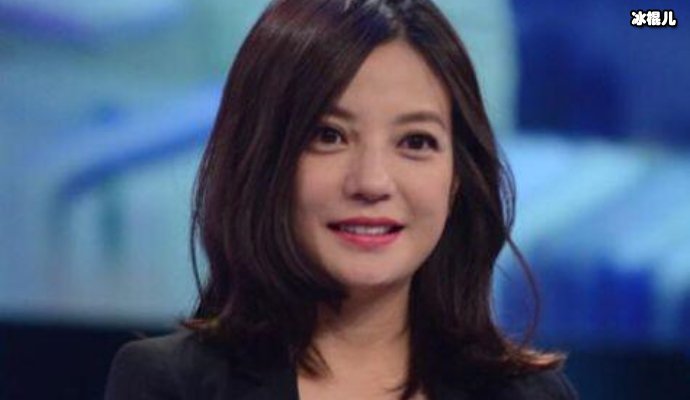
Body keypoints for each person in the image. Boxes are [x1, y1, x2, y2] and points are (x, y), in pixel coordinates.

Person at [105, 0, 578, 399]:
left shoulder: (529, 395)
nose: (371, 182)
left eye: (416, 141)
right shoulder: (172, 385)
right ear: (265, 161)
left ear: (457, 179)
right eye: (328, 136)